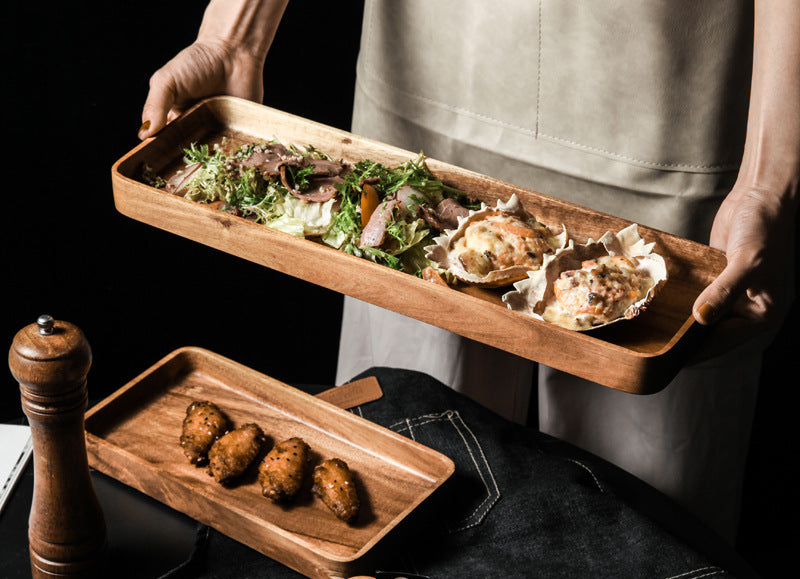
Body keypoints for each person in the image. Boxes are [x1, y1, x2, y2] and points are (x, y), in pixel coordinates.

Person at [139, 0, 799, 543]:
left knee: (648, 539)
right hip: (431, 84)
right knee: (402, 481)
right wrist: (235, 34)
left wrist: (769, 181)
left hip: (675, 98)